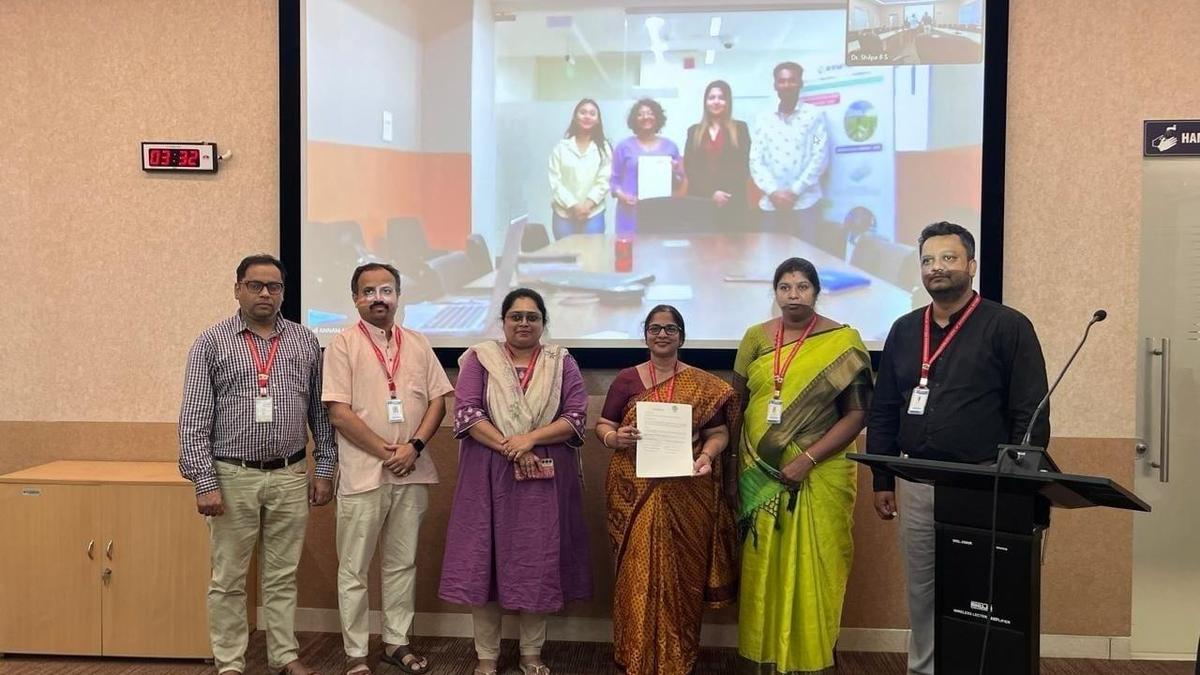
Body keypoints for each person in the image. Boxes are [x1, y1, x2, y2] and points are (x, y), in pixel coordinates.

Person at [866, 221, 1050, 675]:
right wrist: (882, 477)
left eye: (948, 258)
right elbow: (885, 407)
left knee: (981, 592)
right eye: (928, 260)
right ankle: (924, 669)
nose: (937, 267)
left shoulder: (1008, 326)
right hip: (916, 480)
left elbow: (1030, 410)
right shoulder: (905, 330)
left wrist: (1017, 483)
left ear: (971, 265)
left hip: (983, 484)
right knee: (922, 589)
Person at [179, 253, 335, 675]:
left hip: (290, 475)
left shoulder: (305, 341)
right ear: (238, 290)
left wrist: (324, 469)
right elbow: (193, 419)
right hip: (232, 476)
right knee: (228, 579)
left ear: (283, 292)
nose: (265, 293)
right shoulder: (211, 342)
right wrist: (204, 481)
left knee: (282, 576)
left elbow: (320, 415)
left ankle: (284, 655)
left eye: (274, 286)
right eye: (255, 285)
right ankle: (230, 662)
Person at [438, 288, 591, 675]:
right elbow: (467, 413)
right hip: (487, 475)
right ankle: (486, 656)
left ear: (543, 322)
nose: (524, 323)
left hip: (544, 477)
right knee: (484, 563)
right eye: (516, 316)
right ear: (503, 321)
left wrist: (530, 440)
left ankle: (531, 654)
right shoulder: (480, 358)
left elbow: (575, 416)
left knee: (537, 563)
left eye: (532, 317)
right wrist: (513, 447)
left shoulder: (561, 361)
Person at [734, 257, 873, 674]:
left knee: (819, 564)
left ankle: (811, 659)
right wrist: (732, 465)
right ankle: (763, 658)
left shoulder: (843, 341)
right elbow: (737, 403)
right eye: (785, 287)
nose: (793, 295)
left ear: (816, 291)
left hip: (821, 472)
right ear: (775, 292)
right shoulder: (755, 337)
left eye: (802, 287)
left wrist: (807, 459)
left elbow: (858, 414)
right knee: (763, 566)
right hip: (760, 470)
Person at [322, 263, 453, 675]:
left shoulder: (418, 342)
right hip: (363, 474)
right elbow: (339, 413)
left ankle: (396, 642)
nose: (378, 298)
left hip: (412, 471)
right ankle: (355, 653)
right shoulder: (342, 345)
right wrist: (387, 452)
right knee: (354, 568)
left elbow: (438, 401)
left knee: (402, 563)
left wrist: (414, 448)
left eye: (386, 290)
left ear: (397, 296)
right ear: (355, 298)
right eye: (368, 291)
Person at [596, 305, 739, 675]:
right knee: (637, 574)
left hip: (688, 490)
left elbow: (718, 433)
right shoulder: (627, 380)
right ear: (645, 335)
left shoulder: (703, 383)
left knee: (683, 577)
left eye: (670, 328)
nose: (662, 334)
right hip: (635, 490)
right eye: (655, 328)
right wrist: (614, 438)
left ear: (682, 336)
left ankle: (679, 658)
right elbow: (604, 424)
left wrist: (706, 456)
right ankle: (635, 657)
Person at [749, 61, 830, 241]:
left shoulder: (815, 116)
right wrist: (773, 192)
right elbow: (756, 159)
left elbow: (820, 154)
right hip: (771, 205)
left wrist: (794, 192)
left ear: (800, 83)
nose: (786, 85)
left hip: (805, 205)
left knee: (806, 256)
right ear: (775, 85)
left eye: (792, 80)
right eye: (782, 81)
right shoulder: (763, 119)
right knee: (770, 256)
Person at [610, 98, 684, 237]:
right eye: (640, 114)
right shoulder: (623, 147)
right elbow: (614, 182)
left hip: (660, 212)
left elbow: (679, 182)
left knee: (659, 248)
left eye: (650, 113)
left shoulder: (671, 147)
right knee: (630, 249)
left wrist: (674, 172)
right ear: (634, 120)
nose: (645, 117)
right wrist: (623, 196)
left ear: (657, 117)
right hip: (630, 212)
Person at [683, 80, 751, 230]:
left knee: (734, 244)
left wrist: (724, 194)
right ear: (705, 102)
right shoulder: (694, 131)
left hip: (732, 202)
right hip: (700, 200)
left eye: (721, 98)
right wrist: (712, 193)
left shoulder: (740, 129)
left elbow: (743, 167)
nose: (716, 102)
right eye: (711, 97)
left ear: (728, 102)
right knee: (700, 244)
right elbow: (690, 168)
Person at [548, 98, 612, 239]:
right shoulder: (561, 147)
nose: (587, 116)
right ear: (575, 117)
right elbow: (555, 181)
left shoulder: (604, 148)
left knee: (592, 252)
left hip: (593, 213)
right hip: (564, 213)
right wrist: (573, 205)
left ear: (598, 120)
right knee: (565, 252)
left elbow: (604, 180)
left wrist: (587, 205)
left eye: (592, 113)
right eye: (583, 112)